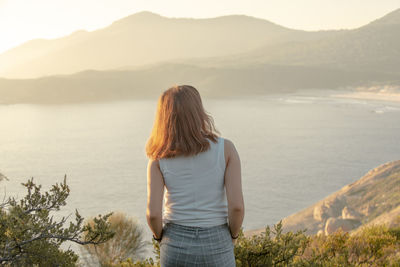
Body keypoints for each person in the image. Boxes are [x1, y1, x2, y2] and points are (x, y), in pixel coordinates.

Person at [145, 85, 244, 266]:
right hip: (217, 240)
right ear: (198, 111)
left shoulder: (158, 157)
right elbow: (236, 207)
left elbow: (153, 215)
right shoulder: (226, 149)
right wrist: (233, 236)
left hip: (175, 243)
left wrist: (160, 239)